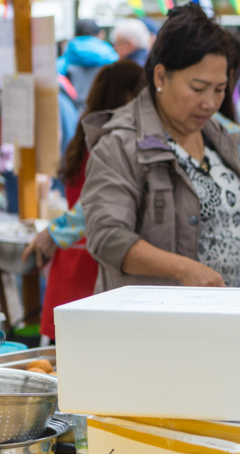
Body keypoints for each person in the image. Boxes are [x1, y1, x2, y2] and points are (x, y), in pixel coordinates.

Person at [81, 4, 240, 292]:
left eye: (219, 90)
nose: (210, 103)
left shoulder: (220, 134)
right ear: (160, 77)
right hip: (157, 324)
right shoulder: (121, 142)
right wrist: (183, 269)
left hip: (228, 317)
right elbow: (106, 236)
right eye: (198, 87)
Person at [24, 61, 145, 341]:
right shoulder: (117, 143)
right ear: (129, 96)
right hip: (96, 261)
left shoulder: (85, 136)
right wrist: (56, 232)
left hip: (73, 258)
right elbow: (97, 200)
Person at [57, 19, 119, 110]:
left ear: (74, 35)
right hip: (106, 114)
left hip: (75, 115)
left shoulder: (61, 63)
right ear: (101, 34)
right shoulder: (114, 59)